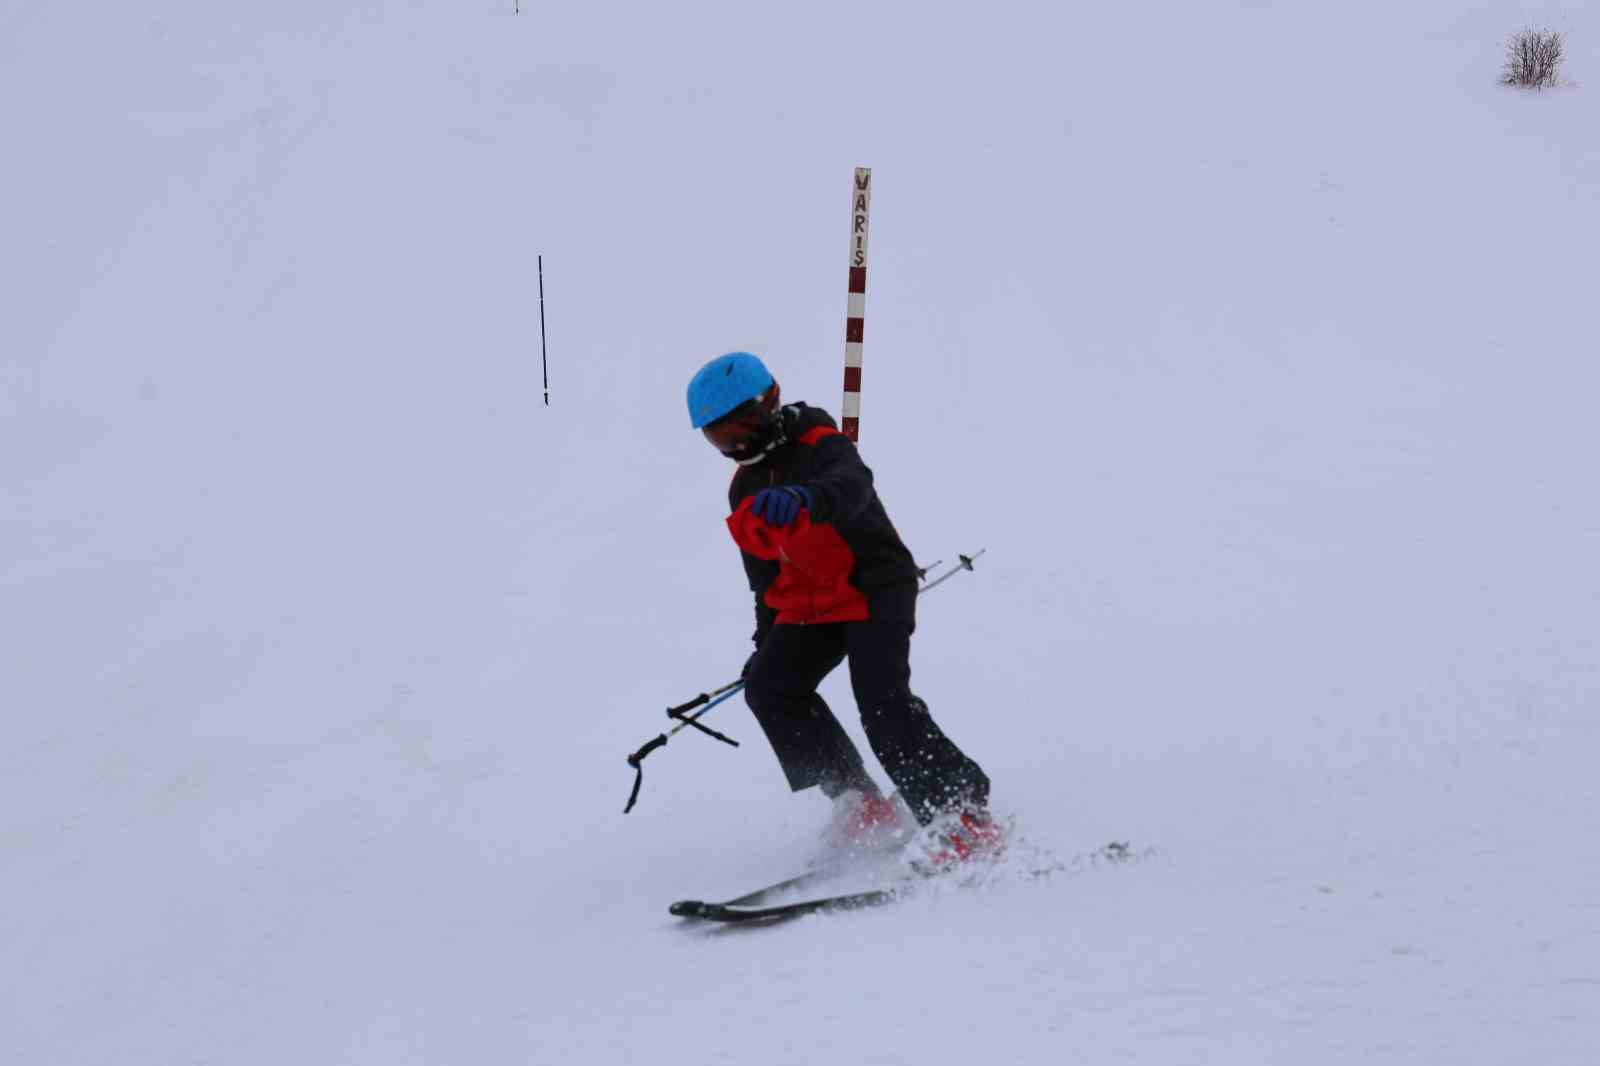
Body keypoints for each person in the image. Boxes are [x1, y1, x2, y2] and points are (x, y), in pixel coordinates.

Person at [686, 351, 999, 866]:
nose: (733, 443)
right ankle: (859, 800)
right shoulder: (743, 485)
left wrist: (805, 498)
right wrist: (767, 641)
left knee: (881, 702)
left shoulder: (821, 443)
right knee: (770, 686)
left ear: (768, 401)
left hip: (876, 587)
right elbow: (763, 575)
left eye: (738, 425)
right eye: (717, 436)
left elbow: (852, 486)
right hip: (817, 602)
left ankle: (961, 813)